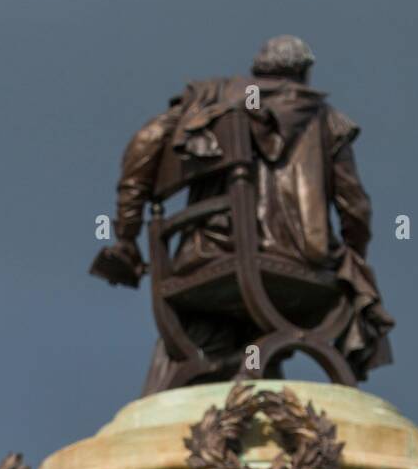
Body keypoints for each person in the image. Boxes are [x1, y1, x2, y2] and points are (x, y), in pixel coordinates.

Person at [92, 36, 394, 392]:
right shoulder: (326, 119)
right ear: (305, 73)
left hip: (202, 257)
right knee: (352, 286)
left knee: (202, 335)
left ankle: (215, 383)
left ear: (257, 69)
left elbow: (145, 144)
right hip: (299, 262)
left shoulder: (212, 97)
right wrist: (356, 254)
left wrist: (127, 236)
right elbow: (354, 206)